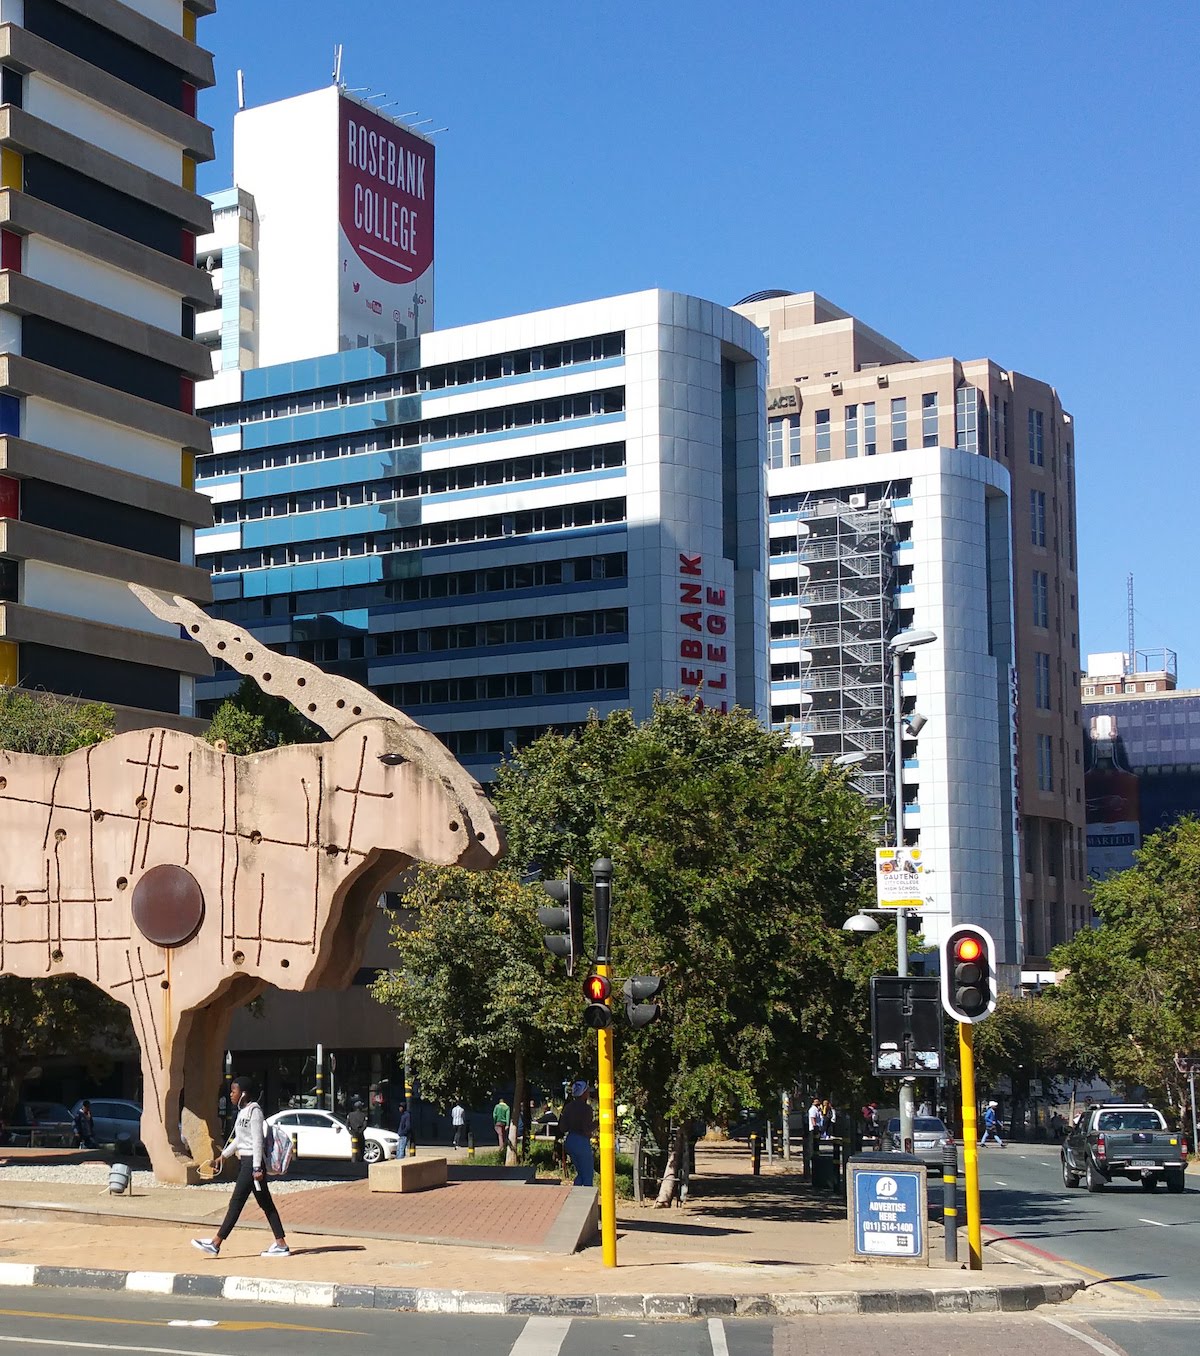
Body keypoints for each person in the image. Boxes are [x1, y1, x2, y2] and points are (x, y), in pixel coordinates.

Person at [191, 1076, 289, 1258]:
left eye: (233, 1091)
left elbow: (257, 1141)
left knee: (236, 1202)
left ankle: (216, 1243)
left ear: (243, 1093)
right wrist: (223, 1156)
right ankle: (281, 1244)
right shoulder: (242, 1111)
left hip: (252, 1163)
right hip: (247, 1162)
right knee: (266, 1204)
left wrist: (257, 1168)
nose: (230, 1094)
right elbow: (240, 1139)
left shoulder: (254, 1111)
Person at [556, 1080, 595, 1187]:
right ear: (583, 1093)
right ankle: (587, 1196)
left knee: (580, 1173)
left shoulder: (568, 1107)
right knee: (587, 1175)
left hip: (570, 1140)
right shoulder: (587, 1109)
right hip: (581, 1142)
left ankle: (575, 1192)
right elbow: (586, 1129)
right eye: (587, 1091)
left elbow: (562, 1128)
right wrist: (598, 1123)